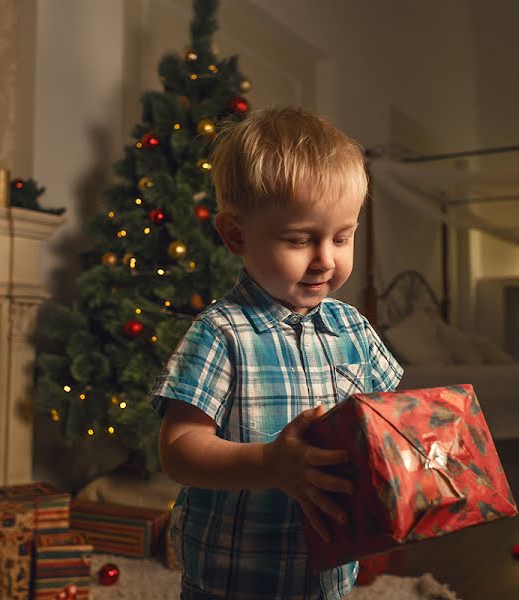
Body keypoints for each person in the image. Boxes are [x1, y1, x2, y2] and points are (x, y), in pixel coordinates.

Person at [150, 106, 404, 600]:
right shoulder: (220, 334)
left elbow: (385, 423)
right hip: (233, 577)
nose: (325, 260)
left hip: (327, 574)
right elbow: (178, 450)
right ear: (236, 235)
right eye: (300, 239)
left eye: (342, 237)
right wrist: (272, 464)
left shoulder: (353, 327)